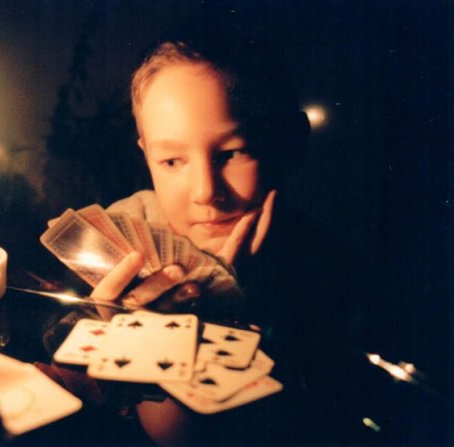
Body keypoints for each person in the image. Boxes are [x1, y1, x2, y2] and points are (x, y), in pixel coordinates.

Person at [79, 20, 377, 446]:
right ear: (146, 155)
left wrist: (237, 309)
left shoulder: (333, 273)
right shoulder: (125, 250)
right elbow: (170, 437)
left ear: (291, 142)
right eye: (171, 161)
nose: (206, 192)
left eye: (232, 152)